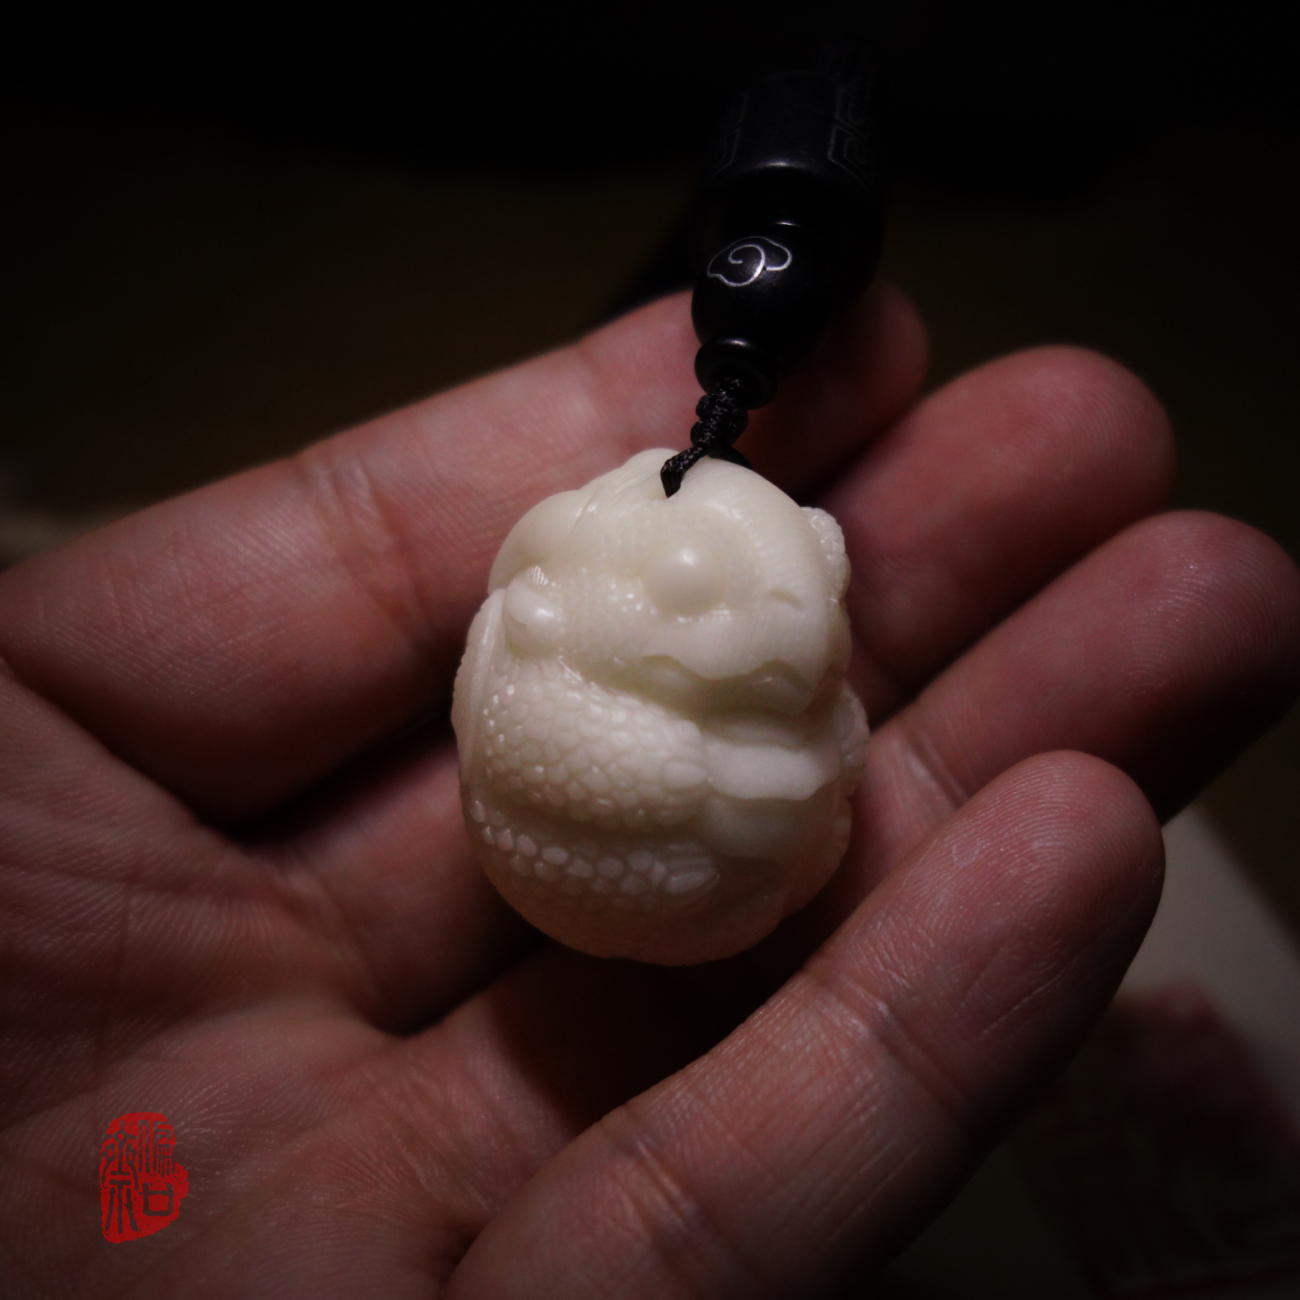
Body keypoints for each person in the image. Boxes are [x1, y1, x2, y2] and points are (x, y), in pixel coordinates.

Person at [1, 282, 1297, 1297]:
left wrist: (794, 773)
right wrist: (715, 790)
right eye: (692, 594)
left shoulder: (764, 649)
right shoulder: (542, 647)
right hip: (638, 836)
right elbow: (570, 763)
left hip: (749, 859)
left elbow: (809, 739)